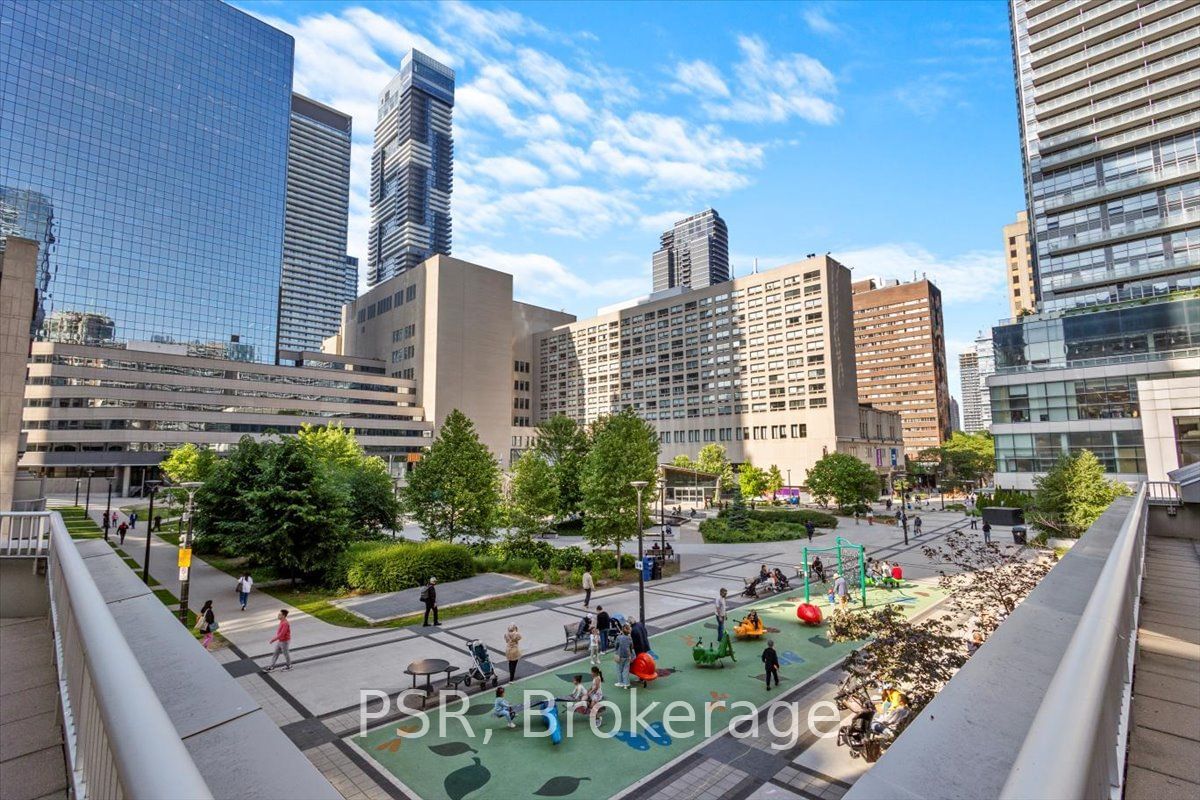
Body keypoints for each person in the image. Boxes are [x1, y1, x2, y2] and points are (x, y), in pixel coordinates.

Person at [613, 624, 633, 688]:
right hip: (628, 655)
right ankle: (626, 683)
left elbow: (616, 646)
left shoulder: (619, 637)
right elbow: (631, 646)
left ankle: (620, 682)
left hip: (620, 655)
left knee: (619, 669)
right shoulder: (629, 638)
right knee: (626, 670)